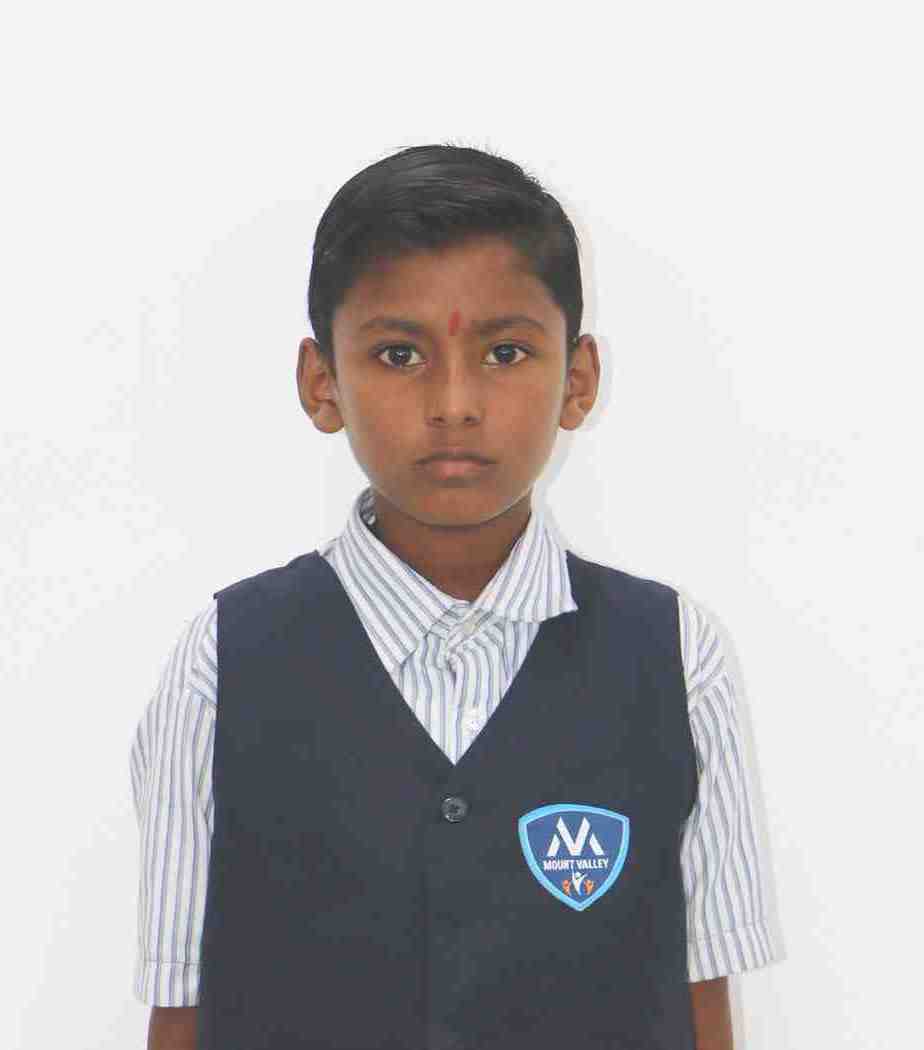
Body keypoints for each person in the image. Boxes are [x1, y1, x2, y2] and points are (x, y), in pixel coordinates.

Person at [130, 143, 782, 1050]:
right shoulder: (224, 661)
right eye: (399, 354)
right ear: (322, 384)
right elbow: (181, 1007)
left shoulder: (678, 658)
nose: (454, 402)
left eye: (505, 352)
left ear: (578, 381)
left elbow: (704, 1001)